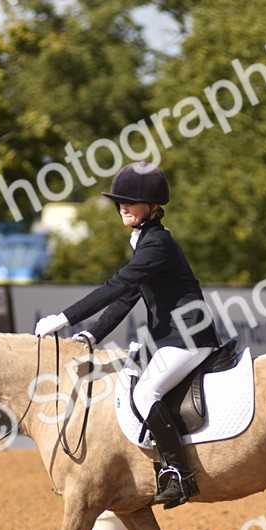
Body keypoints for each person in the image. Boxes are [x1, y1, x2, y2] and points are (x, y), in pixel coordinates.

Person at [34, 161, 221, 508]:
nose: (122, 206)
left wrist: (65, 317)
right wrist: (92, 335)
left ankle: (179, 473)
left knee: (147, 392)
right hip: (169, 338)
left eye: (130, 201)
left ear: (152, 207)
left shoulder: (157, 244)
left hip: (188, 337)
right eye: (119, 200)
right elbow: (128, 296)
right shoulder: (145, 240)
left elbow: (117, 284)